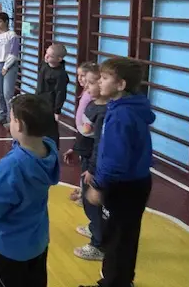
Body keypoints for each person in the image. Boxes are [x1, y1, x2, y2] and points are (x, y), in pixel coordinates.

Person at [0, 94, 59, 287]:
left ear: (20, 125)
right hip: (37, 241)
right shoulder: (49, 148)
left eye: (12, 119)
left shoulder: (11, 166)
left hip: (10, 248)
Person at [81, 58, 154, 287]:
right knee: (124, 237)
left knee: (117, 239)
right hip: (134, 182)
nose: (99, 82)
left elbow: (115, 157)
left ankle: (114, 283)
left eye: (104, 78)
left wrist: (99, 185)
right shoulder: (127, 108)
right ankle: (121, 281)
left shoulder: (122, 115)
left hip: (123, 185)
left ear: (121, 85)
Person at [66, 64, 107, 261]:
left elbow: (98, 143)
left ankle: (99, 244)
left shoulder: (104, 112)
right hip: (87, 156)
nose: (87, 87)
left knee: (93, 202)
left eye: (91, 83)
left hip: (94, 163)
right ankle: (95, 228)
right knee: (88, 200)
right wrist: (76, 148)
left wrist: (92, 168)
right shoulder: (93, 104)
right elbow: (83, 133)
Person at [65, 62, 96, 203]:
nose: (80, 79)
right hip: (83, 135)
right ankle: (83, 190)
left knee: (87, 167)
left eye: (84, 76)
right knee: (84, 164)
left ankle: (86, 196)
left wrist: (87, 127)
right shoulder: (86, 92)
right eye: (79, 75)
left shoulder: (92, 96)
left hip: (89, 137)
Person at [0, 13, 20, 126]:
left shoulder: (12, 35)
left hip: (9, 66)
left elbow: (14, 53)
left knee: (7, 93)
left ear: (6, 22)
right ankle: (2, 115)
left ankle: (11, 119)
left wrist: (6, 66)